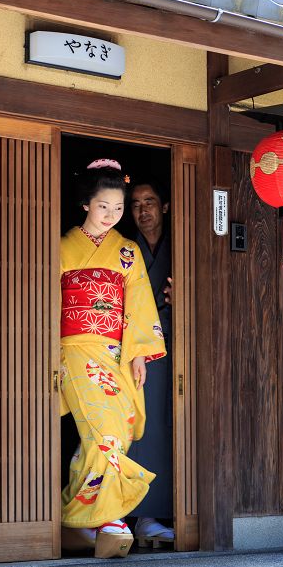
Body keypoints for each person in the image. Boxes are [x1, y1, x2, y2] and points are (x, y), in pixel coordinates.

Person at [60, 159, 166, 559]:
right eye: (104, 206)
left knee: (112, 433)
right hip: (74, 349)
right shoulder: (63, 246)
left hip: (117, 352)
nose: (112, 215)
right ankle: (110, 518)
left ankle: (78, 518)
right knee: (104, 431)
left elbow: (138, 303)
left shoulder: (126, 251)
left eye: (118, 209)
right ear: (86, 203)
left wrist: (139, 354)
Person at [127, 177, 174, 543]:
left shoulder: (180, 246)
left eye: (150, 202)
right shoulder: (125, 250)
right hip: (138, 351)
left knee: (172, 429)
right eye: (136, 204)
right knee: (144, 431)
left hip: (180, 345)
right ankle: (142, 516)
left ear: (165, 207)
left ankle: (159, 513)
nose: (143, 210)